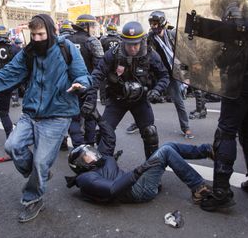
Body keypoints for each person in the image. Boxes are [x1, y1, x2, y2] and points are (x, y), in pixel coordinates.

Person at [0, 14, 91, 223]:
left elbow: (83, 74)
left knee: (41, 162)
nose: (38, 39)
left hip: (58, 115)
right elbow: (4, 75)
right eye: (33, 35)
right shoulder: (28, 53)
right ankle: (37, 175)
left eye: (41, 34)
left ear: (51, 32)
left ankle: (33, 198)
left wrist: (80, 83)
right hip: (31, 113)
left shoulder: (65, 48)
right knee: (13, 147)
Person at [198, 0, 248, 212]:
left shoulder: (232, 16)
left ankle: (221, 191)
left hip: (242, 78)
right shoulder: (246, 14)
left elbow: (232, 53)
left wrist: (218, 58)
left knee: (226, 132)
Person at [82, 21, 170, 159]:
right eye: (129, 44)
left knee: (150, 133)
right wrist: (90, 101)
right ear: (123, 41)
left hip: (140, 101)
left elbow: (164, 76)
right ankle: (104, 169)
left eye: (136, 44)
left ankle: (153, 171)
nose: (133, 48)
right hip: (117, 99)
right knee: (103, 133)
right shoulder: (113, 54)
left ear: (142, 40)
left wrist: (157, 90)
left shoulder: (150, 55)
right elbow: (95, 76)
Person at [66, 142, 212, 205]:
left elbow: (108, 137)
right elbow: (112, 189)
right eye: (87, 156)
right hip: (136, 191)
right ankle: (198, 188)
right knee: (166, 151)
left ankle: (206, 150)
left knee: (168, 145)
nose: (93, 155)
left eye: (91, 152)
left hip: (136, 181)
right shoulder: (86, 178)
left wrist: (99, 119)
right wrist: (138, 172)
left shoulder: (100, 162)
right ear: (80, 164)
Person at [145, 11, 194, 138]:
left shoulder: (172, 35)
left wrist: (187, 73)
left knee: (178, 101)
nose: (153, 26)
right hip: (157, 73)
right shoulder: (149, 39)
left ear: (162, 23)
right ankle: (138, 123)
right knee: (144, 98)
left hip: (173, 72)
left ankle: (186, 128)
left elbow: (184, 53)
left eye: (155, 23)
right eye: (151, 23)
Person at [66, 14, 104, 148]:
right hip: (88, 84)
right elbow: (100, 66)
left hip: (70, 85)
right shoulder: (92, 41)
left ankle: (77, 146)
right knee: (89, 115)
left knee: (74, 117)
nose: (93, 29)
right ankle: (89, 146)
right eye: (92, 26)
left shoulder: (66, 40)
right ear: (86, 26)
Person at [99, 22, 121, 106]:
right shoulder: (120, 39)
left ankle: (103, 98)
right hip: (117, 62)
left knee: (103, 80)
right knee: (117, 78)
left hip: (106, 61)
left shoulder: (103, 39)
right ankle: (116, 96)